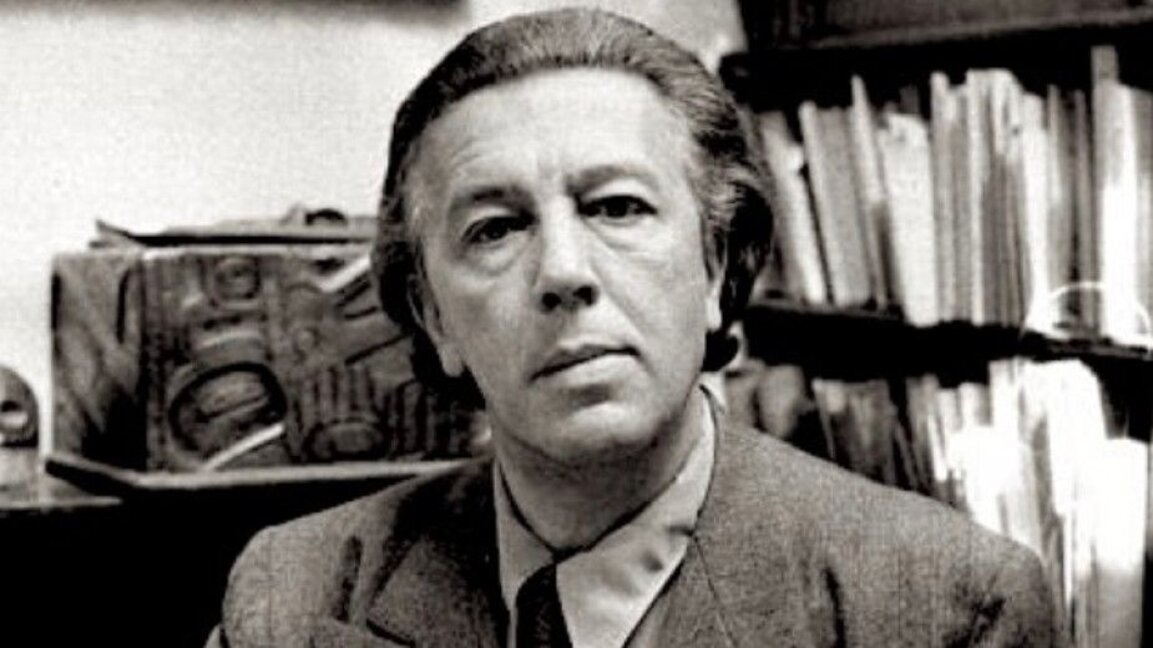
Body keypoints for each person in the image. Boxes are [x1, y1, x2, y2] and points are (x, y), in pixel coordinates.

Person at [208, 8, 1055, 647]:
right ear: (433, 318)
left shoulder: (944, 607)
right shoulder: (292, 596)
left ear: (715, 267)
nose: (563, 272)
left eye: (617, 207)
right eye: (495, 229)